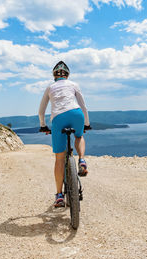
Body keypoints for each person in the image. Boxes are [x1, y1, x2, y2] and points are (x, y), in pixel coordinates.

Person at [38, 61, 91, 208]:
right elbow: (83, 106)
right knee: (79, 136)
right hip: (76, 114)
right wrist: (86, 123)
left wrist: (43, 126)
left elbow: (41, 111)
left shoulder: (50, 87)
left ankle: (59, 195)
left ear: (54, 75)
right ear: (67, 75)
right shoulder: (74, 85)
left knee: (59, 158)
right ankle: (82, 160)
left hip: (59, 119)